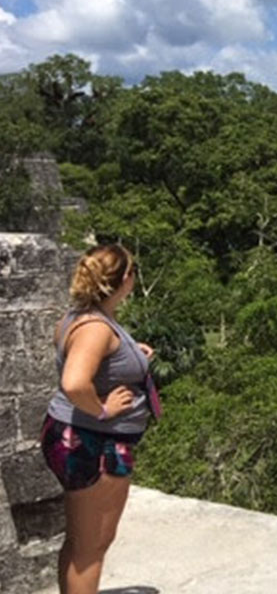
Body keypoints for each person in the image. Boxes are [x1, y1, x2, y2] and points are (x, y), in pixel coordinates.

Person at [41, 244, 154, 594]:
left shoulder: (82, 318)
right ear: (125, 279)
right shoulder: (96, 328)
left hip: (78, 436)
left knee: (81, 542)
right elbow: (75, 382)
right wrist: (104, 410)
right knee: (91, 547)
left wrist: (134, 354)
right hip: (93, 441)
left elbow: (98, 358)